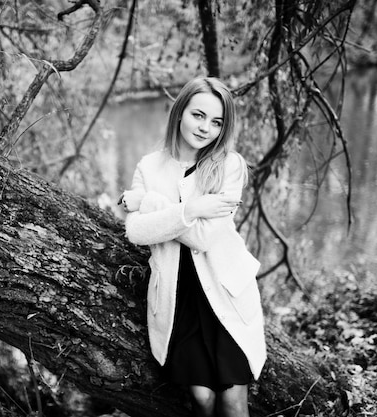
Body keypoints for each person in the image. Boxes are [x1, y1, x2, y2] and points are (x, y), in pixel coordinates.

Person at [120, 77, 266, 417]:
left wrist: (149, 202)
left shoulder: (230, 167)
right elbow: (138, 232)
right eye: (198, 115)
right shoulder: (149, 166)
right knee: (202, 399)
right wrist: (191, 210)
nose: (205, 128)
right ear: (180, 112)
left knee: (232, 401)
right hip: (179, 297)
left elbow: (202, 238)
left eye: (216, 122)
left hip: (225, 292)